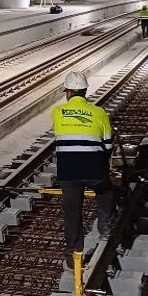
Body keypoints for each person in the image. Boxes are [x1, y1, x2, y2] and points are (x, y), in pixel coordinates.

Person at [52, 72, 115, 270]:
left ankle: (73, 257)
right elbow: (108, 145)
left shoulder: (57, 112)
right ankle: (106, 230)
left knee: (72, 213)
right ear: (85, 91)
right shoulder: (99, 112)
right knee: (106, 193)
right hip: (94, 168)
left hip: (68, 172)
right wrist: (101, 164)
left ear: (68, 92)